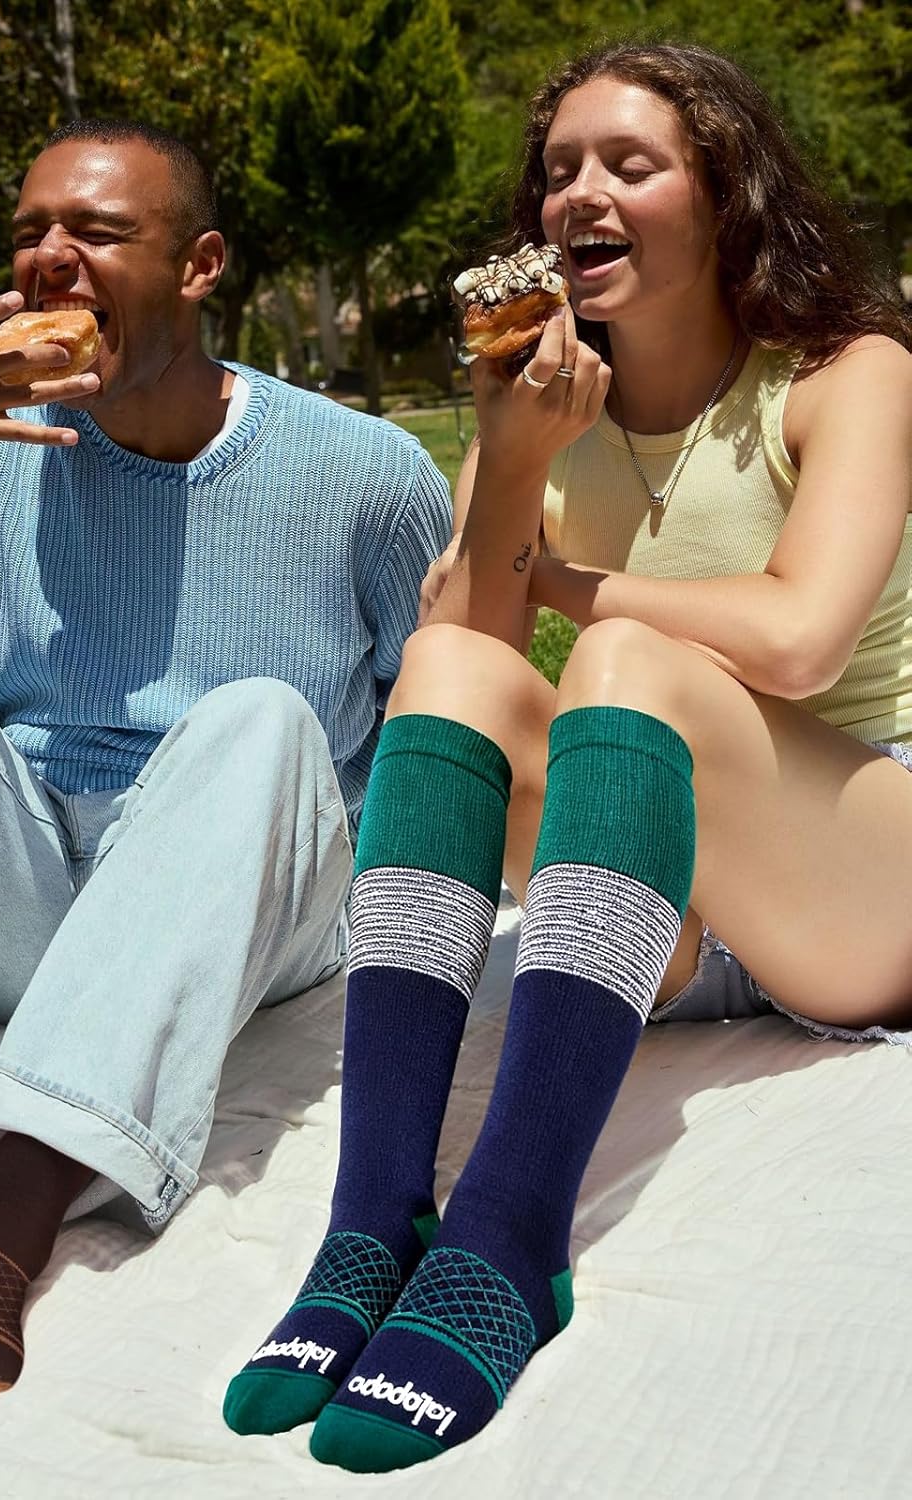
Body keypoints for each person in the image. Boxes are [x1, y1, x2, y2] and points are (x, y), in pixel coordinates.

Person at [224, 41, 912, 1471]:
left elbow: (799, 643)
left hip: (857, 882)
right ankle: (373, 1221)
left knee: (626, 660)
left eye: (628, 164)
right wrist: (515, 463)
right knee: (445, 667)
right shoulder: (536, 398)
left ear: (724, 192)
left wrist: (569, 585)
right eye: (558, 170)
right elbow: (461, 656)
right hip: (662, 911)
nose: (577, 194)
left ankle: (509, 1237)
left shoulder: (847, 370)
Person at [0, 118, 452, 1414]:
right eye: (30, 232)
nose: (51, 258)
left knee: (259, 717)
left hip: (252, 900)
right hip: (29, 898)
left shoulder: (366, 473)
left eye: (98, 231)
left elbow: (447, 717)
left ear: (199, 266)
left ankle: (9, 1200)